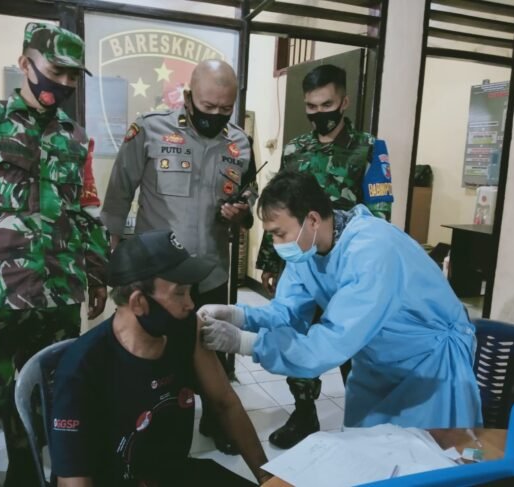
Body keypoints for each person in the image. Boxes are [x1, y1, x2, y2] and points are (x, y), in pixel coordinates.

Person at [0, 23, 109, 487]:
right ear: (25, 63)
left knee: (41, 400)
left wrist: (96, 272)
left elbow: (84, 211)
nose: (63, 83)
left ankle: (25, 477)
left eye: (73, 76)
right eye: (55, 71)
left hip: (57, 294)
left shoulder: (75, 138)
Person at [200, 171, 482, 433]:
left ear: (312, 220)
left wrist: (244, 343)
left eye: (279, 233)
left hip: (429, 364)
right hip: (377, 359)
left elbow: (326, 345)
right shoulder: (306, 250)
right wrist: (238, 316)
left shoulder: (372, 250)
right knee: (367, 449)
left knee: (424, 456)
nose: (277, 243)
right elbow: (287, 312)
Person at [100, 59, 256, 453]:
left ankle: (215, 419)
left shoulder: (240, 144)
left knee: (210, 349)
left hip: (211, 271)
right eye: (208, 106)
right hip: (159, 277)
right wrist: (111, 258)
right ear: (188, 97)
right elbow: (118, 195)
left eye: (225, 109)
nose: (215, 116)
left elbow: (249, 203)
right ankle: (147, 424)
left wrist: (240, 214)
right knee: (153, 352)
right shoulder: (150, 129)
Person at [50, 229, 270, 486]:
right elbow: (74, 479)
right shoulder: (81, 368)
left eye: (190, 292)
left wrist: (266, 477)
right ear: (138, 303)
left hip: (173, 474)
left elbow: (225, 403)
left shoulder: (186, 329)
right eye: (179, 293)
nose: (190, 304)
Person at [254, 64, 394, 449]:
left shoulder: (369, 148)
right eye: (311, 107)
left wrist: (370, 271)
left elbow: (380, 213)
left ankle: (363, 420)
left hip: (347, 271)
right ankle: (304, 413)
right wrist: (271, 262)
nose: (319, 113)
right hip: (302, 268)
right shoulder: (296, 149)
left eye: (327, 105)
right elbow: (278, 209)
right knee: (298, 335)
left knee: (354, 345)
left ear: (344, 102)